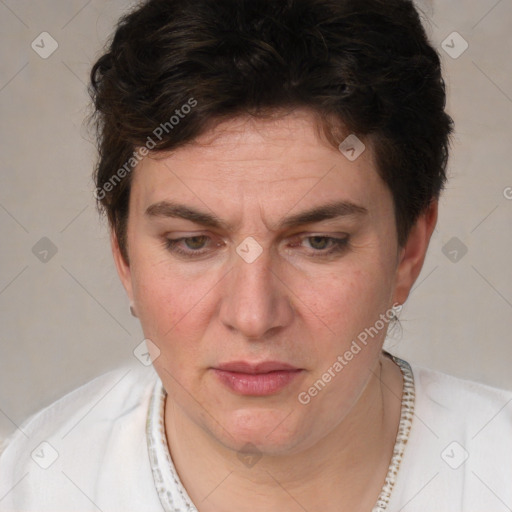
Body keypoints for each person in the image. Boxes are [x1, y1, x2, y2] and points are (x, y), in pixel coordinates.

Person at [1, 0, 511, 510]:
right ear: (123, 257)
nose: (253, 317)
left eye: (318, 242)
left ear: (409, 251)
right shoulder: (32, 485)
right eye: (193, 243)